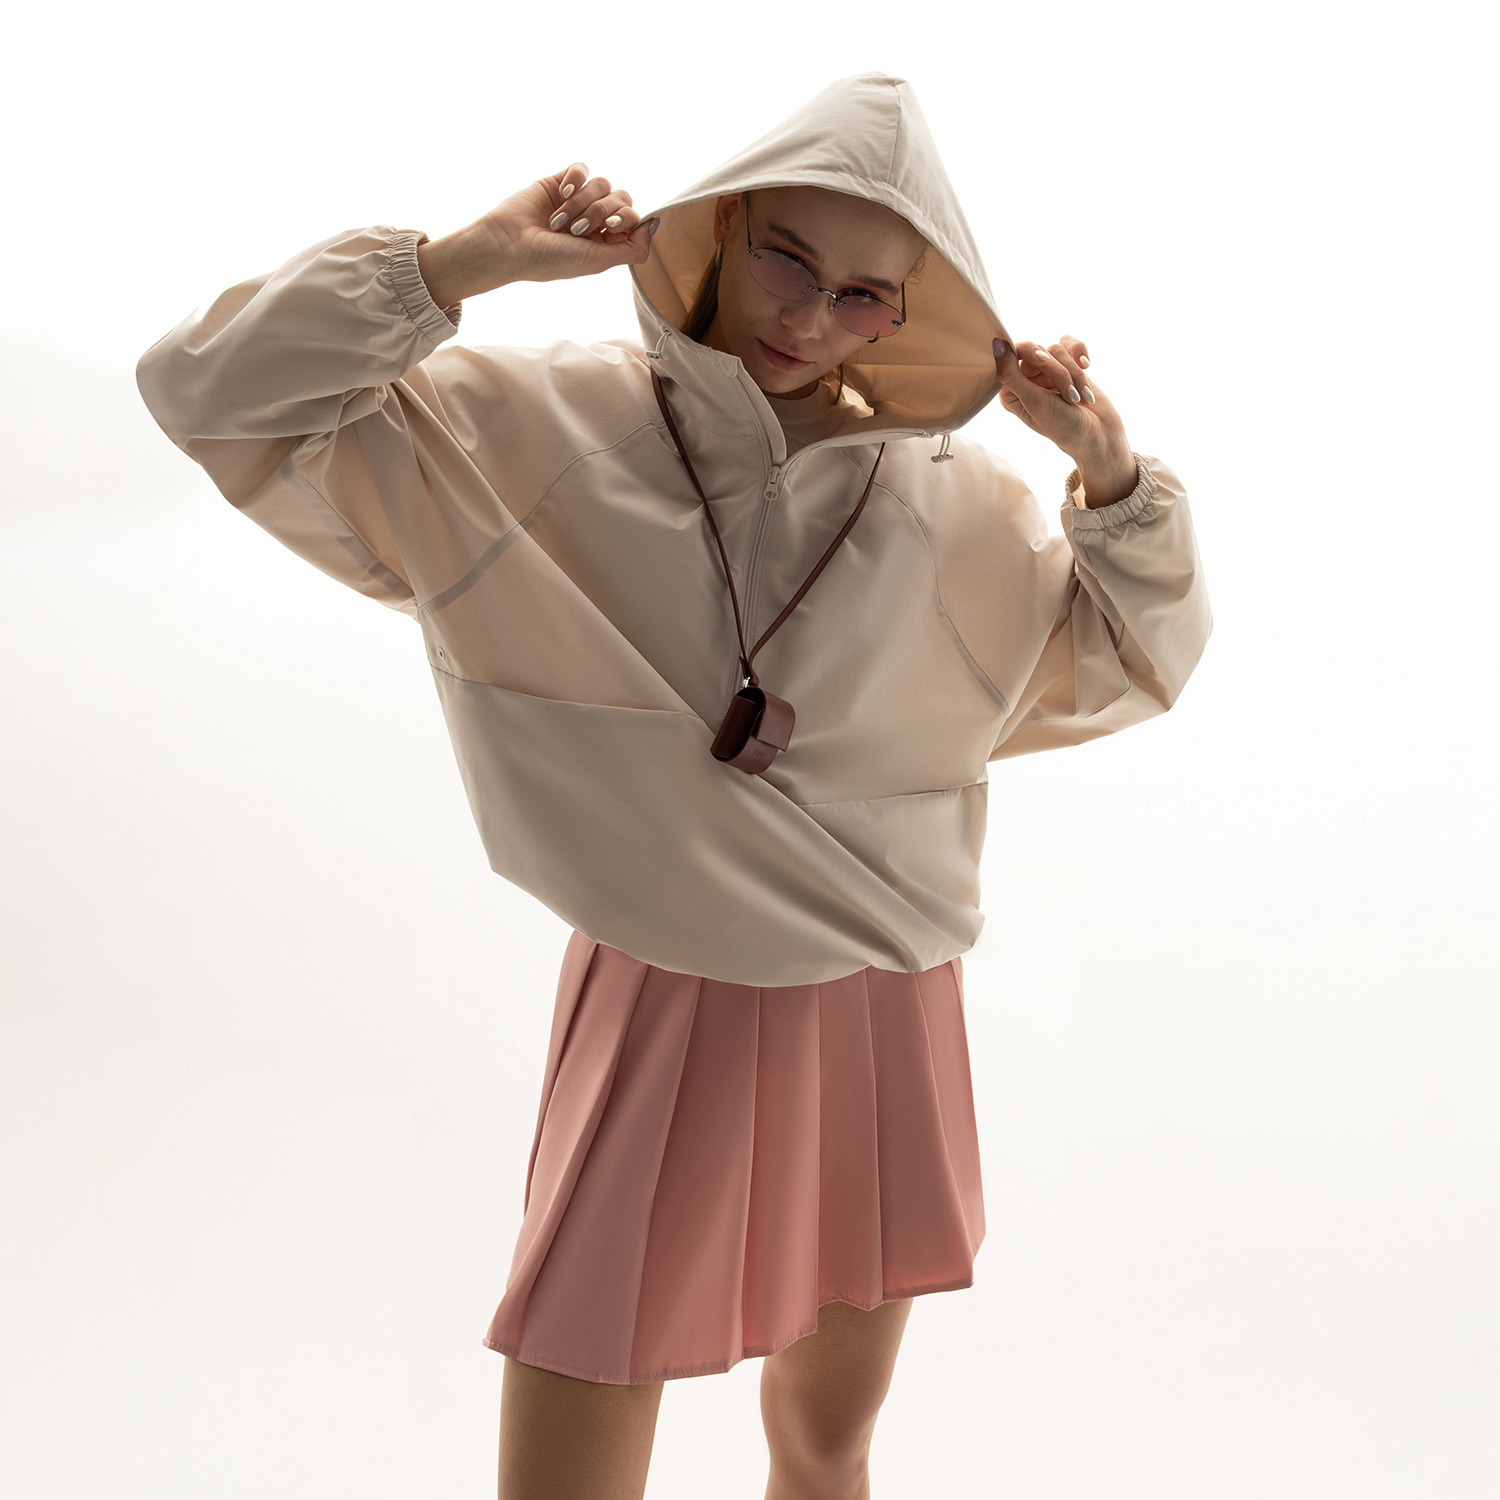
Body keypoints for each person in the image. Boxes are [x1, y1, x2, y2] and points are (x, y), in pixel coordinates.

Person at [137, 72, 1211, 1500]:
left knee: (826, 1447)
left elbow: (1137, 662)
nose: (809, 317)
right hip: (665, 978)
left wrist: (1110, 474)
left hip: (884, 990)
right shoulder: (547, 422)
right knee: (575, 1432)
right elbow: (207, 389)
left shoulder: (955, 503)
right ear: (722, 231)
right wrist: (459, 266)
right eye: (787, 260)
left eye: (864, 296)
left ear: (911, 317)